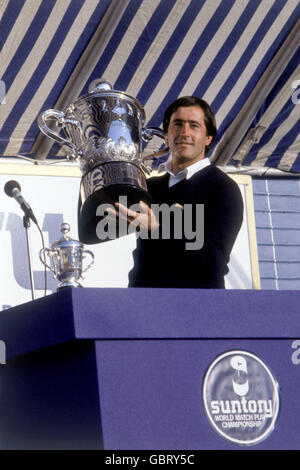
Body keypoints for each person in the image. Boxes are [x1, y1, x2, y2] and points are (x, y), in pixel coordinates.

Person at [117, 96, 244, 288]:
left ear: (208, 138)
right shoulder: (148, 187)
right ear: (166, 135)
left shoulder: (223, 188)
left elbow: (213, 263)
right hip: (143, 304)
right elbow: (97, 225)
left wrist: (156, 229)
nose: (184, 133)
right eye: (177, 124)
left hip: (194, 307)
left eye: (194, 126)